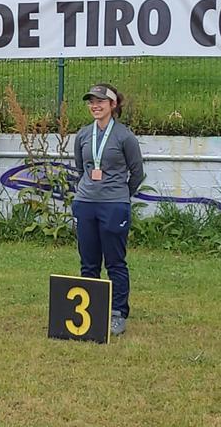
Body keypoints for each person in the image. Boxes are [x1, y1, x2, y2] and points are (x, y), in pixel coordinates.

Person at [72, 83, 144, 336]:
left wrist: (120, 194)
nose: (95, 105)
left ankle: (117, 313)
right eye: (91, 101)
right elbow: (81, 169)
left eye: (101, 101)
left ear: (113, 105)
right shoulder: (82, 135)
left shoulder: (125, 137)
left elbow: (137, 173)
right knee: (88, 262)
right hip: (85, 203)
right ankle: (90, 313)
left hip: (114, 205)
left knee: (115, 262)